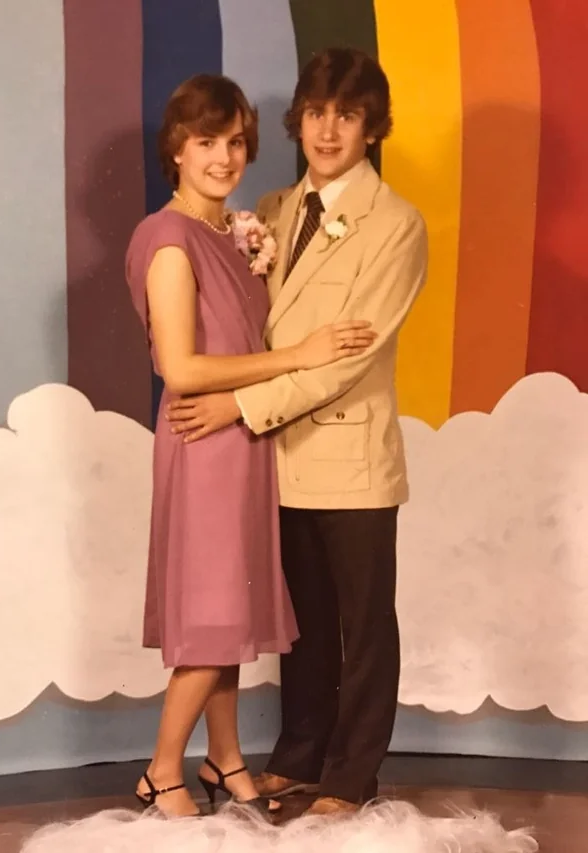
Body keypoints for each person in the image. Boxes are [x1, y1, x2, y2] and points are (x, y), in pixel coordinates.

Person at [165, 48, 428, 816]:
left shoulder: (396, 224)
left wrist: (237, 407)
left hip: (349, 453)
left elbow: (347, 360)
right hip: (274, 460)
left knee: (363, 622)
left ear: (371, 127)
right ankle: (299, 753)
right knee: (300, 622)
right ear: (298, 121)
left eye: (347, 115)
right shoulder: (270, 213)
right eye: (316, 112)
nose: (328, 129)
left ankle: (352, 775)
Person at [124, 72, 376, 819]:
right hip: (206, 440)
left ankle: (225, 757)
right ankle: (161, 768)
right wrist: (299, 354)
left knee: (230, 611)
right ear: (176, 147)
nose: (224, 157)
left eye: (236, 142)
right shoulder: (168, 237)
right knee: (211, 613)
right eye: (207, 141)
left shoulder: (229, 233)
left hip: (241, 437)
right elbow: (181, 367)